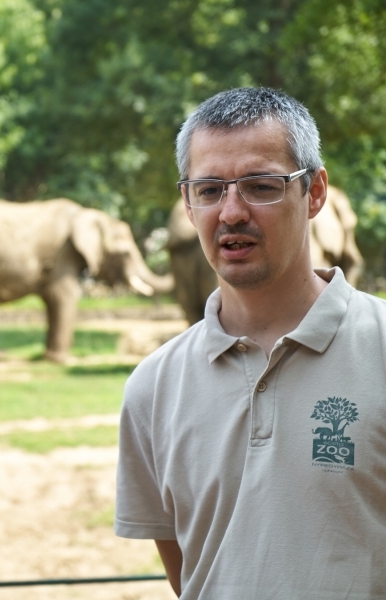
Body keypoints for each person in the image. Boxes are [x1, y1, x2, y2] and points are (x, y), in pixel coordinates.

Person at [114, 87, 386, 598]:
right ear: (188, 205)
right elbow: (190, 569)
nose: (232, 212)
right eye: (210, 189)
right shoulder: (152, 387)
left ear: (315, 193)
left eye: (262, 186)